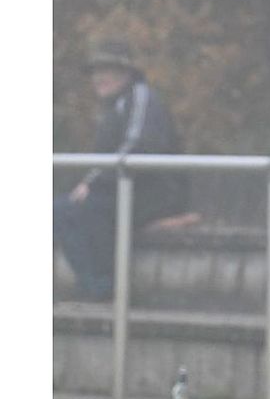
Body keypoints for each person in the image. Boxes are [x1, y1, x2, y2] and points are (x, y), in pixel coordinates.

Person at [54, 38, 187, 301]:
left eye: (107, 69)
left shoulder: (140, 96)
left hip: (155, 192)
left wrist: (93, 183)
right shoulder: (112, 108)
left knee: (82, 209)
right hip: (124, 188)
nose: (98, 77)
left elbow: (137, 146)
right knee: (61, 211)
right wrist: (92, 182)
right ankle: (95, 285)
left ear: (126, 73)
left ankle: (105, 288)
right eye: (95, 71)